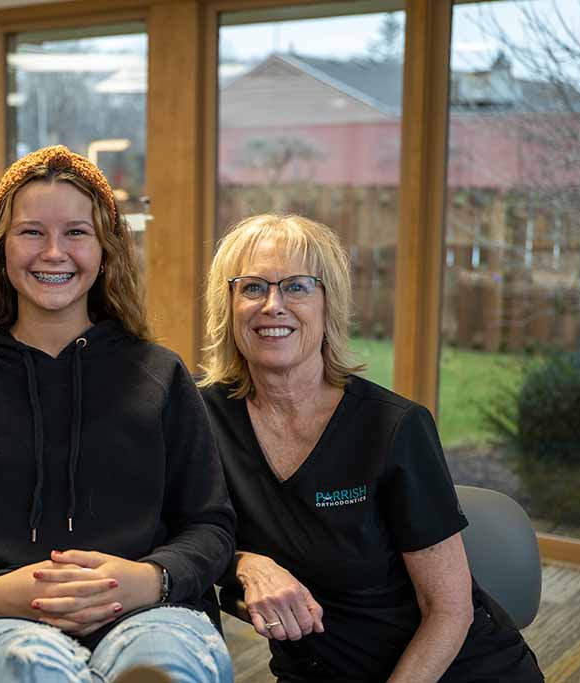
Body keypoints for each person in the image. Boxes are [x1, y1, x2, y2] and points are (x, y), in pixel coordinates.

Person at [0, 145, 236, 683]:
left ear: (105, 250)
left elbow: (210, 527)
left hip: (153, 616)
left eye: (76, 232)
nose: (54, 252)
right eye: (31, 232)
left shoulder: (162, 377)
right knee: (32, 667)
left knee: (167, 665)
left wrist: (148, 580)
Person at [197, 214, 543, 683]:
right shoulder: (202, 417)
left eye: (297, 286)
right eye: (252, 287)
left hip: (448, 670)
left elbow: (449, 610)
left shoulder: (394, 427)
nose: (273, 305)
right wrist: (246, 563)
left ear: (328, 304)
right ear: (228, 304)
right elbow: (184, 535)